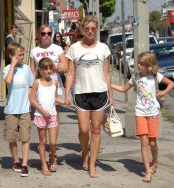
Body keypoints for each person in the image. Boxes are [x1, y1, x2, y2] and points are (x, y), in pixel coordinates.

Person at [111, 52, 174, 182]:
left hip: (153, 113)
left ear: (148, 66)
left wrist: (162, 93)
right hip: (140, 112)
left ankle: (155, 162)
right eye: (138, 63)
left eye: (141, 64)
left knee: (152, 142)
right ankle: (147, 171)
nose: (138, 65)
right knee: (144, 142)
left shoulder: (155, 76)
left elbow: (171, 84)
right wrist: (109, 85)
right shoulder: (135, 77)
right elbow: (124, 88)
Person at [64, 15, 113, 178]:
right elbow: (70, 73)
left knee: (96, 129)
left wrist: (111, 96)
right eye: (87, 29)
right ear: (82, 30)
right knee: (84, 130)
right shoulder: (75, 49)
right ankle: (85, 152)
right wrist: (66, 94)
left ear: (96, 29)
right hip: (80, 93)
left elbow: (107, 74)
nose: (90, 31)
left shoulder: (103, 48)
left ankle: (92, 164)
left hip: (99, 92)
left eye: (93, 29)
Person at [29, 24, 68, 160]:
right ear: (39, 35)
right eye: (43, 33)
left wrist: (53, 67)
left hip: (54, 86)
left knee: (54, 118)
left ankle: (53, 147)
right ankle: (43, 142)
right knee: (41, 114)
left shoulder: (57, 49)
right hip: (39, 87)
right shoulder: (34, 51)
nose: (46, 36)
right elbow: (32, 71)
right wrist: (31, 88)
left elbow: (65, 67)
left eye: (49, 33)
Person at [29, 57, 65, 176]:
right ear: (40, 69)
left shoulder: (54, 82)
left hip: (52, 115)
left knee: (53, 142)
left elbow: (55, 98)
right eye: (46, 68)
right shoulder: (37, 82)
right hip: (40, 115)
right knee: (43, 141)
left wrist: (64, 101)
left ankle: (52, 158)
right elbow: (32, 99)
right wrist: (41, 110)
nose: (48, 71)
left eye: (50, 68)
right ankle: (44, 164)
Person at [3, 43, 33, 177]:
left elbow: (31, 86)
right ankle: (16, 161)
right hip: (11, 109)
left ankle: (25, 164)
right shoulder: (7, 69)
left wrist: (31, 102)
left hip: (25, 109)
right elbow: (8, 82)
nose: (22, 57)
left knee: (25, 138)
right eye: (19, 55)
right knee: (12, 137)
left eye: (23, 54)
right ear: (11, 56)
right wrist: (13, 66)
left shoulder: (26, 69)